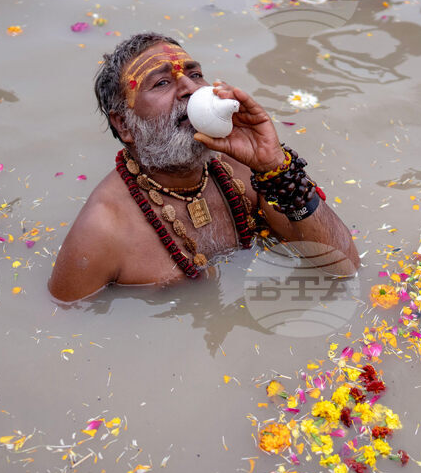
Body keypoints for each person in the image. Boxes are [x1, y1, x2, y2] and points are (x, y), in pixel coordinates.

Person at [48, 33, 360, 301]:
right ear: (123, 124)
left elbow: (344, 267)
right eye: (161, 82)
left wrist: (276, 166)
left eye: (195, 75)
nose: (190, 88)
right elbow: (68, 325)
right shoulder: (103, 229)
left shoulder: (247, 169)